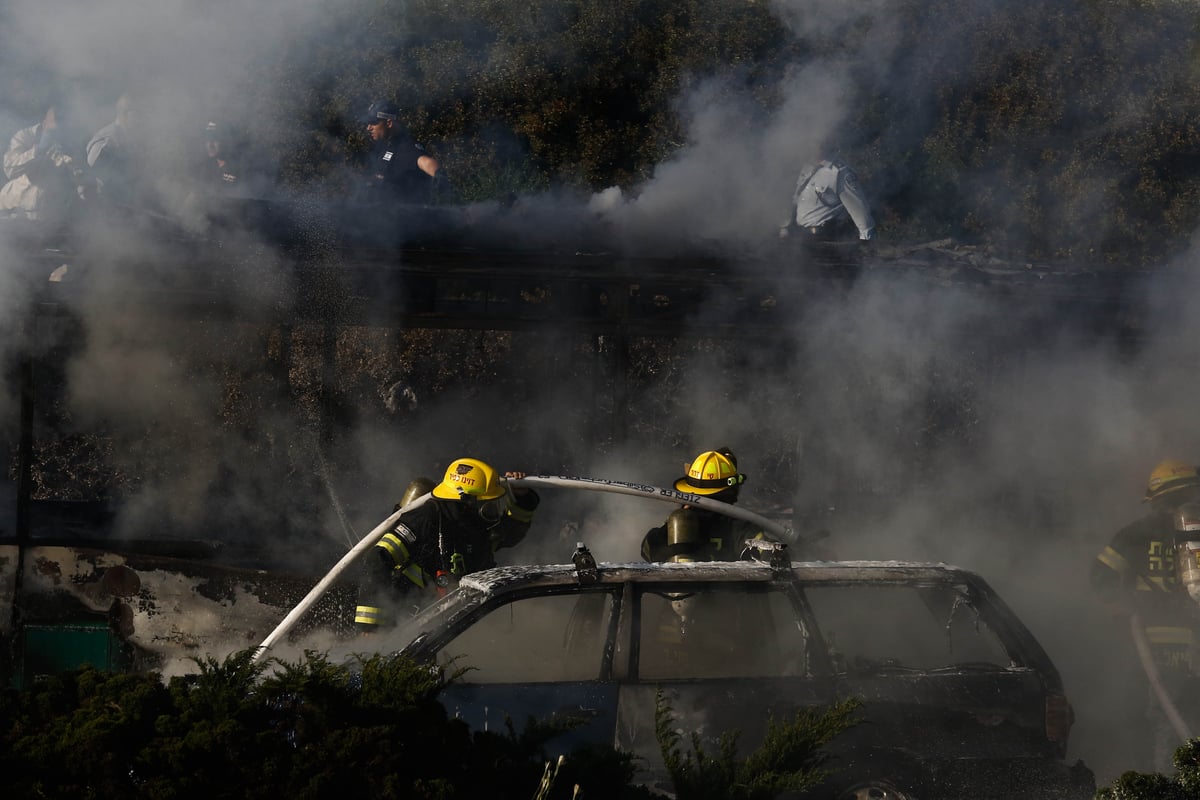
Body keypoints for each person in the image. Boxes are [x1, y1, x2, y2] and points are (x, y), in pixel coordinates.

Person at [1091, 459, 1200, 773]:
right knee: (1185, 718)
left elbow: (1101, 575)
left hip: (1152, 649)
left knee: (1161, 721)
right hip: (1193, 642)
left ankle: (1165, 785)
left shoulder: (1135, 535)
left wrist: (1122, 610)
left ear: (1156, 498)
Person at [354, 457, 539, 632]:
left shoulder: (475, 525)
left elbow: (508, 536)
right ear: (467, 502)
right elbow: (378, 558)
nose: (493, 509)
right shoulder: (426, 517)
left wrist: (522, 499)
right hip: (409, 621)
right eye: (488, 504)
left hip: (457, 624)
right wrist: (371, 628)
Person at [641, 448, 775, 563]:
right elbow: (768, 553)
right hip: (725, 592)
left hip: (677, 590)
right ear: (732, 490)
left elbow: (647, 549)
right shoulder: (738, 525)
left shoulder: (680, 520)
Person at [0, 104, 86, 228]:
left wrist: (81, 180)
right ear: (45, 122)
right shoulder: (24, 136)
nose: (57, 129)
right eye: (53, 124)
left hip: (45, 215)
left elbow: (74, 170)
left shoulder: (68, 143)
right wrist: (38, 150)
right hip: (12, 208)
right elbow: (10, 169)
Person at [358, 99, 439, 206]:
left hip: (408, 219)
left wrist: (440, 177)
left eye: (373, 123)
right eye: (368, 123)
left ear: (389, 123)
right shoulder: (385, 144)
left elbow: (426, 162)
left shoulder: (405, 147)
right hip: (384, 217)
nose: (368, 128)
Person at [778, 158, 875, 243]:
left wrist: (866, 248)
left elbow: (861, 214)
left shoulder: (840, 172)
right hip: (800, 240)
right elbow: (792, 199)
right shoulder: (805, 167)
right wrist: (784, 229)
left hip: (826, 240)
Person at [86, 92, 149, 209]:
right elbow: (91, 167)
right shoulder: (109, 138)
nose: (142, 118)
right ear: (124, 114)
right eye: (137, 112)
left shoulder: (134, 135)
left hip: (132, 203)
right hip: (109, 206)